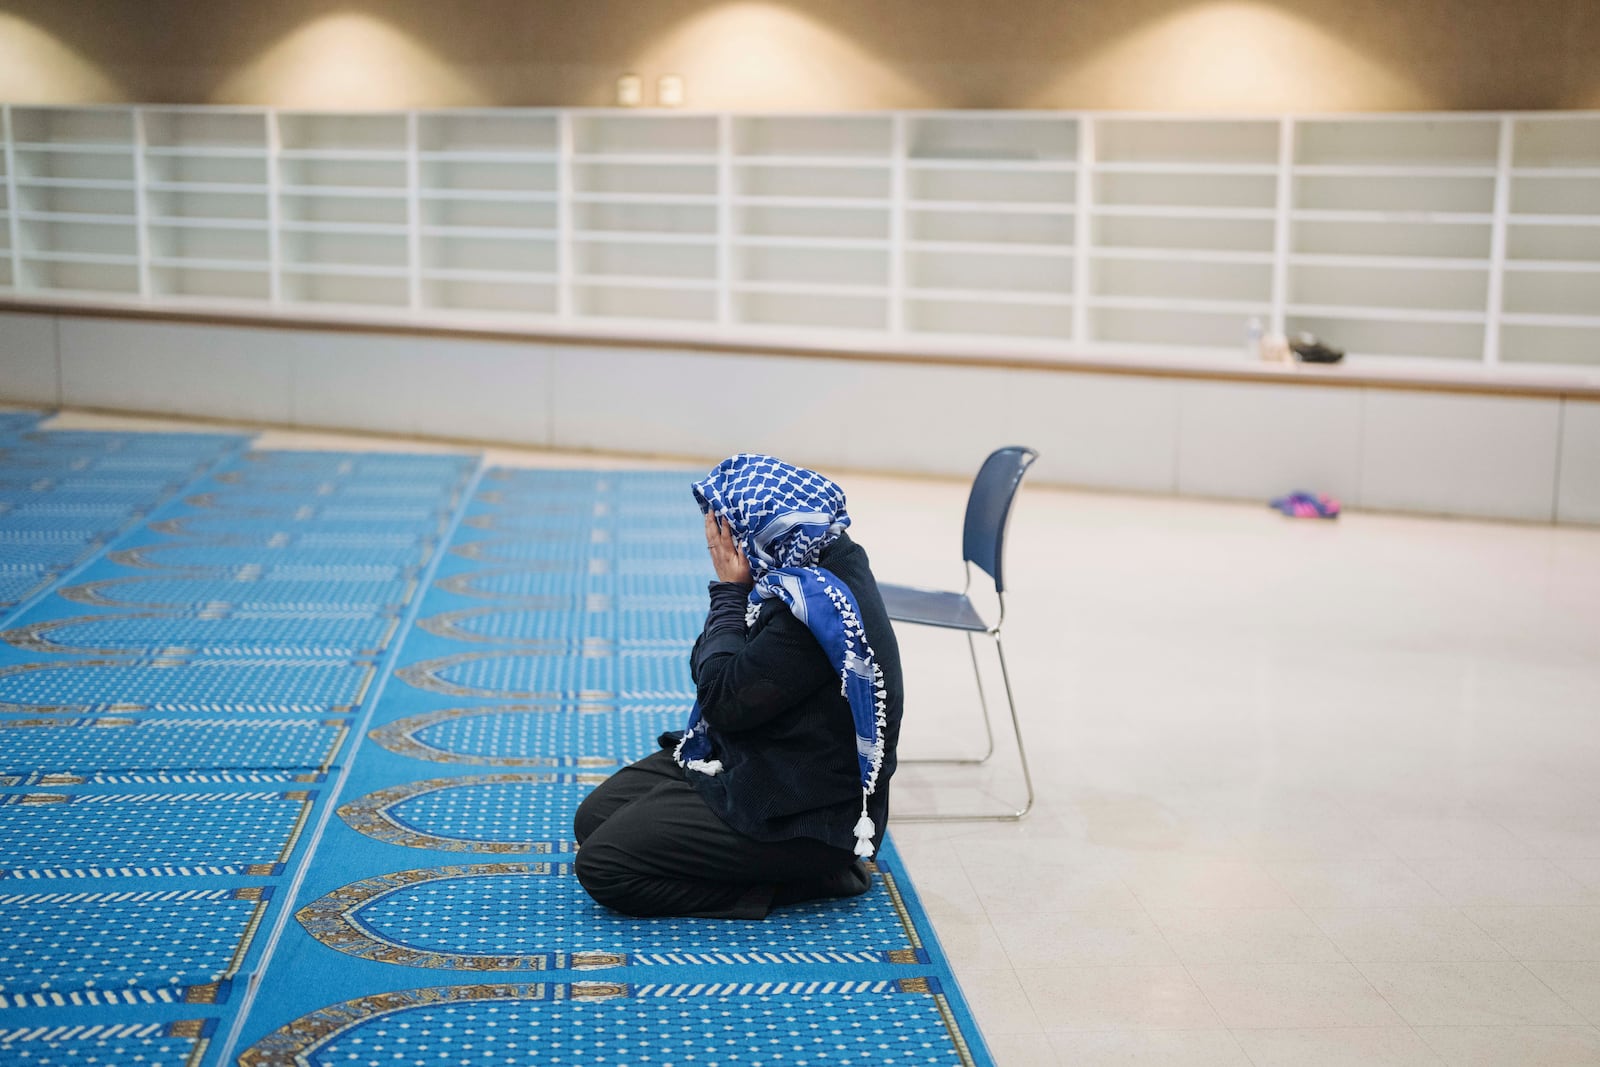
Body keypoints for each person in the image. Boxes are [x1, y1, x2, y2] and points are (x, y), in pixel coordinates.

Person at [572, 454, 904, 919]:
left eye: (727, 533)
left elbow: (721, 700)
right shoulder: (798, 569)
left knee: (606, 866)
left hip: (804, 816)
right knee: (593, 820)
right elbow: (706, 665)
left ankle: (810, 879)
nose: (719, 547)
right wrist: (736, 597)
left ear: (759, 534)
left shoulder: (814, 610)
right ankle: (771, 866)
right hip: (756, 758)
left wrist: (729, 592)